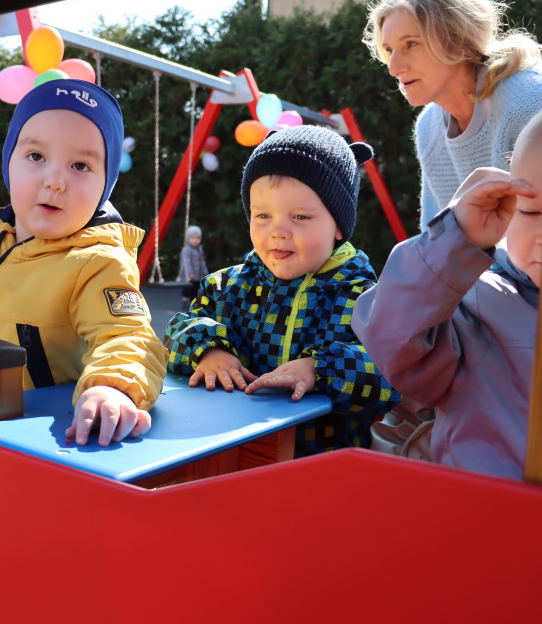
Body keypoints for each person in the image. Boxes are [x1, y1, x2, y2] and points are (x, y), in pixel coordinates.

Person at [0, 79, 167, 447]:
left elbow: (128, 336)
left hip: (50, 442)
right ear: (9, 162)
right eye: (36, 157)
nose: (55, 181)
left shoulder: (97, 263)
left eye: (80, 165)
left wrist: (111, 389)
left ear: (105, 186)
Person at [165, 126, 401, 455]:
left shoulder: (363, 298)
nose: (278, 231)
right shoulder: (227, 286)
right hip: (231, 454)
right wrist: (208, 350)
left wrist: (320, 369)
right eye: (263, 215)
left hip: (320, 465)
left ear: (338, 227)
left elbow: (391, 375)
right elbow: (173, 333)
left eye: (300, 216)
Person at [352, 106, 542, 481]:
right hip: (485, 521)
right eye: (531, 211)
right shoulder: (478, 304)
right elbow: (392, 343)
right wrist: (454, 242)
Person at [363, 0, 542, 228]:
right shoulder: (429, 127)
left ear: (458, 40)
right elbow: (440, 238)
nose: (394, 67)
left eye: (411, 44)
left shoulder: (533, 99)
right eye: (389, 50)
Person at [177, 225, 208, 307]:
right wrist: (189, 272)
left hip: (198, 274)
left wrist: (205, 271)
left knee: (196, 289)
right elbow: (186, 262)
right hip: (189, 275)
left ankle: (193, 303)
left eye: (198, 238)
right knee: (188, 289)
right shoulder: (186, 249)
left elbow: (202, 261)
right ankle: (185, 301)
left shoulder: (199, 249)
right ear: (188, 238)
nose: (196, 240)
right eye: (193, 238)